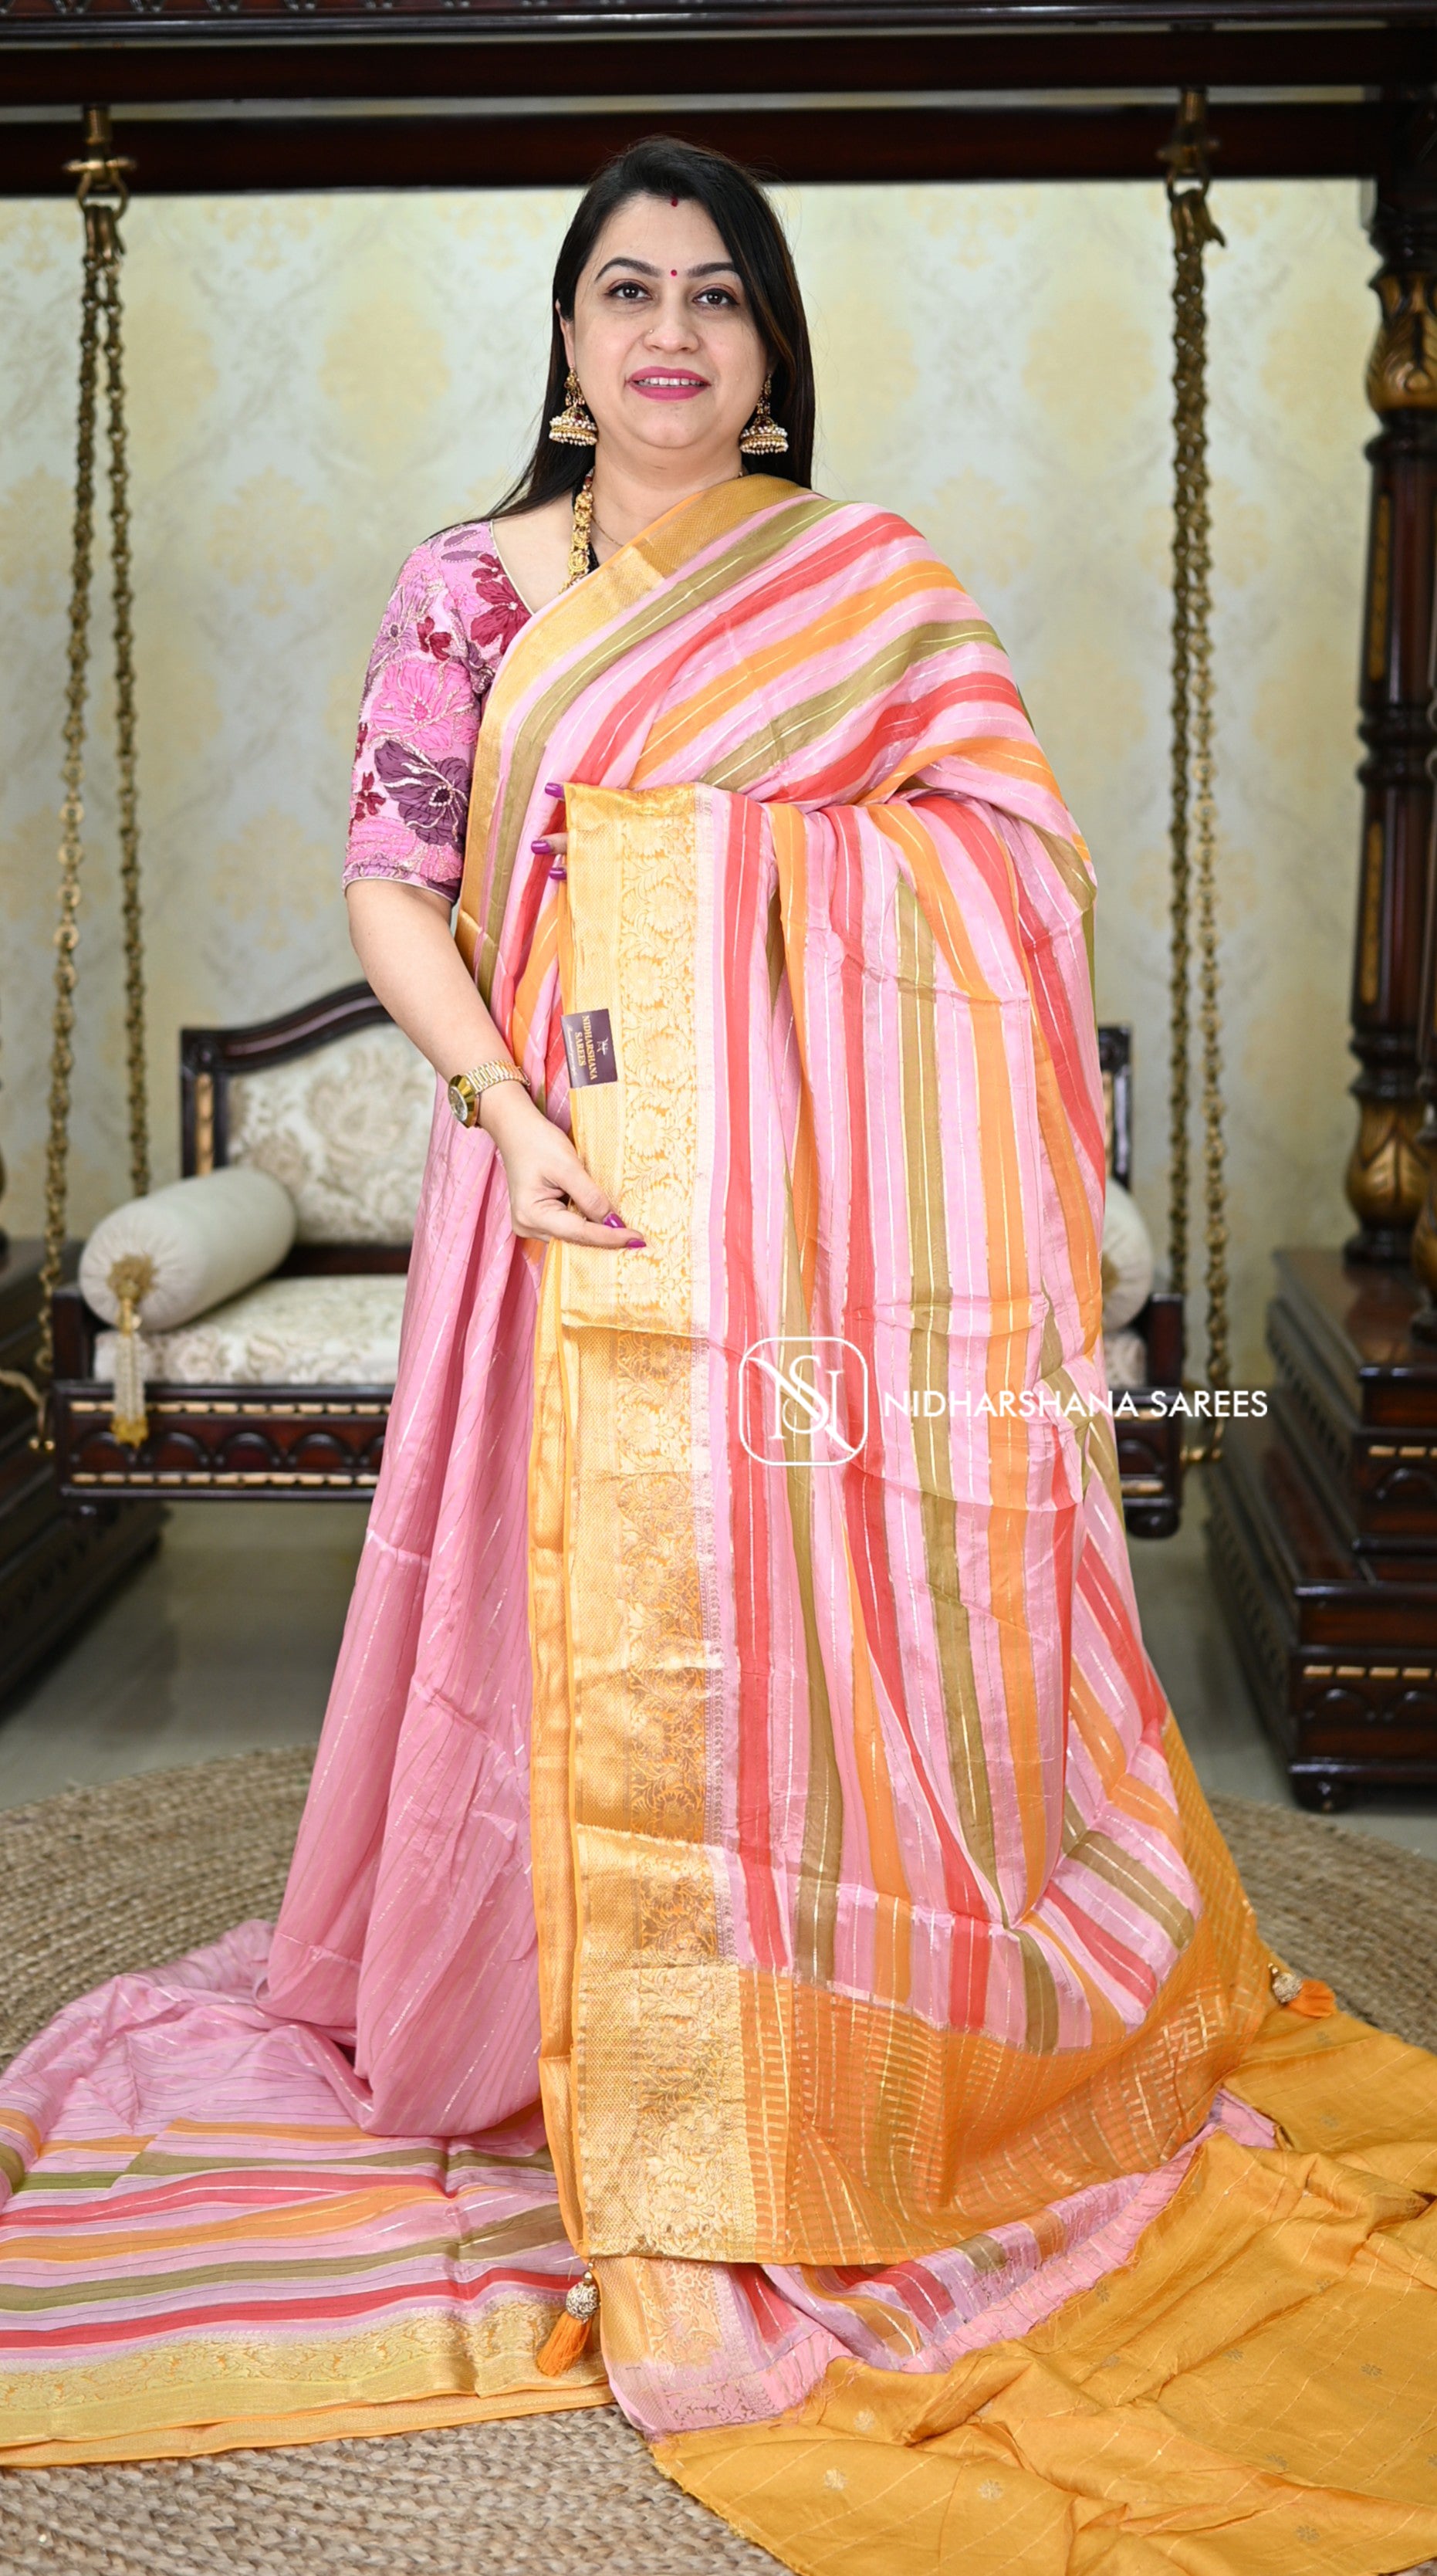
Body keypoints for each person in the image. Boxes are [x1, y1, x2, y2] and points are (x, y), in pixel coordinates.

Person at [2, 135, 1436, 2576]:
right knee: (555, 1634)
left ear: (770, 352)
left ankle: (796, 1999)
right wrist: (509, 1107)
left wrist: (738, 911)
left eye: (715, 295)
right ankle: (543, 2020)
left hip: (807, 1238)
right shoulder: (476, 586)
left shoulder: (862, 590)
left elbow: (1009, 867)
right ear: (567, 348)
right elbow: (396, 876)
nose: (668, 333)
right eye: (624, 291)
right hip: (552, 1186)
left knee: (788, 1623)